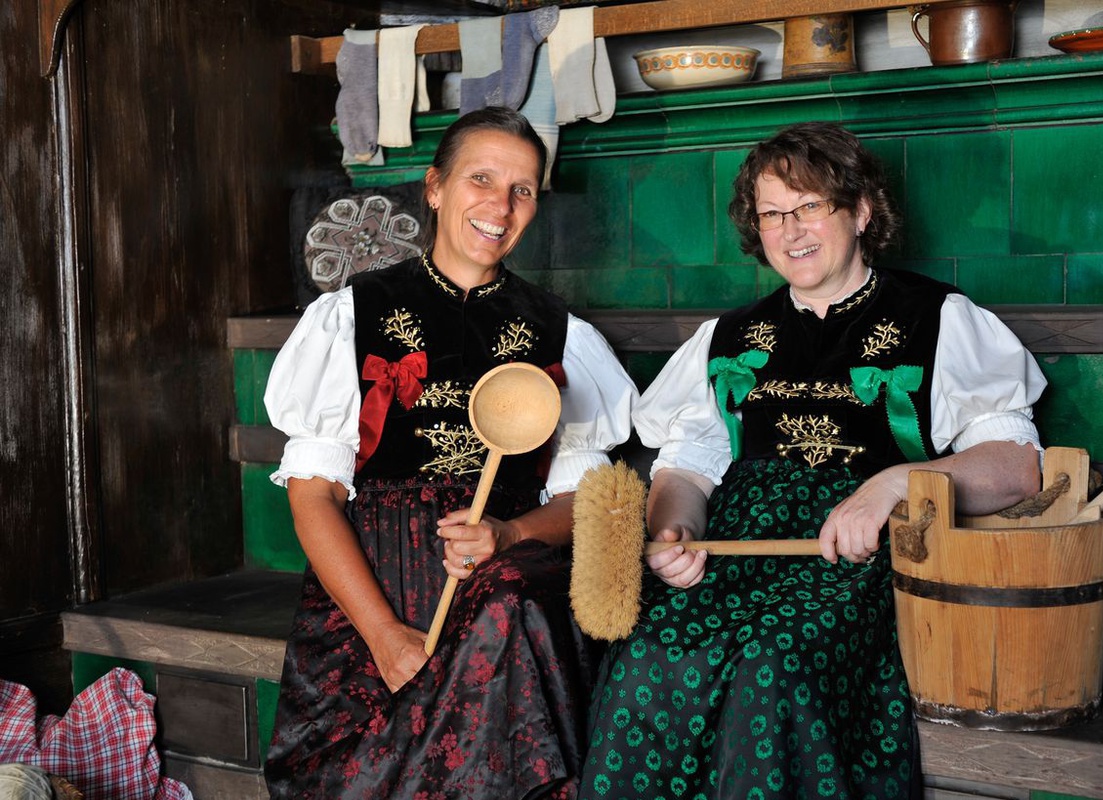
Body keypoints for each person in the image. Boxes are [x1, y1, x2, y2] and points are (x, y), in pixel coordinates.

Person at [578, 122, 1047, 799]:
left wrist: (893, 485)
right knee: (648, 656)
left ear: (859, 212)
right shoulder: (730, 336)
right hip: (734, 554)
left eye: (809, 207)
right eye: (772, 213)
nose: (790, 229)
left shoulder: (937, 318)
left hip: (857, 561)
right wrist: (674, 533)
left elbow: (1017, 466)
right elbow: (686, 468)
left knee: (772, 666)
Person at [263, 106, 637, 799]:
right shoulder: (352, 316)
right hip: (380, 572)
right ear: (434, 187)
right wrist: (381, 634)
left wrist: (510, 531)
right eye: (482, 179)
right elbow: (312, 493)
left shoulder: (561, 335)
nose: (501, 205)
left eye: (522, 189)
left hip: (508, 566)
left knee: (511, 604)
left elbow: (581, 501)